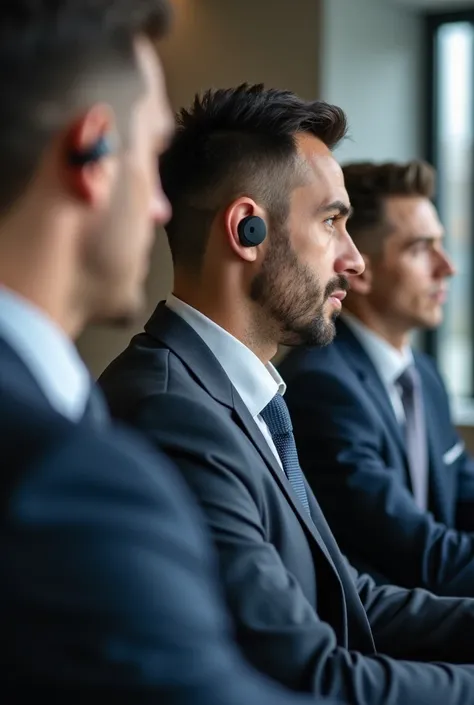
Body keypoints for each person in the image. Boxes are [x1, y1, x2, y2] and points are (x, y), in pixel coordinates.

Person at [0, 4, 333, 704]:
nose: (161, 208)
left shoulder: (74, 420)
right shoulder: (73, 470)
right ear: (89, 154)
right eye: (149, 162)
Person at [100, 84, 474, 705]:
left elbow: (348, 598)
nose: (354, 260)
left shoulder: (240, 395)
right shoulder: (172, 412)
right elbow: (309, 674)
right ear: (247, 229)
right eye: (332, 221)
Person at [280, 160, 474, 596]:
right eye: (421, 248)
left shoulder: (423, 375)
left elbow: (464, 492)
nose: (447, 267)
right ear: (361, 271)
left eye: (441, 245)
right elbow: (423, 557)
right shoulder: (321, 387)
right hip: (381, 638)